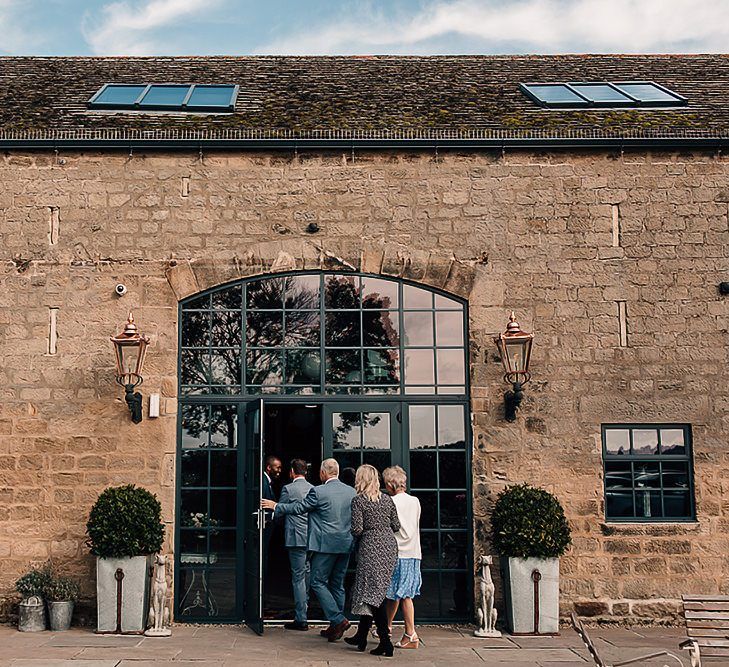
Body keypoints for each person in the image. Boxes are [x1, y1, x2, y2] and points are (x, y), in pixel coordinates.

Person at [262, 458, 355, 642]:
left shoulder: (318, 491)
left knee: (317, 581)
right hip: (345, 544)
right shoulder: (351, 491)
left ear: (323, 473)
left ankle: (338, 619)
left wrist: (277, 506)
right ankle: (335, 626)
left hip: (325, 544)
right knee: (337, 584)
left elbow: (300, 508)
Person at [344, 464, 400, 657]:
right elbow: (396, 525)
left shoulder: (358, 501)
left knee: (374, 595)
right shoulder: (386, 499)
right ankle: (361, 636)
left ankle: (386, 642)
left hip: (370, 547)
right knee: (372, 591)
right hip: (389, 547)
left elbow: (357, 529)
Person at [383, 465, 422, 650]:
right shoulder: (415, 501)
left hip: (397, 553)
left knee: (404, 595)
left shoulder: (390, 502)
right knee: (396, 593)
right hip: (413, 553)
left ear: (390, 484)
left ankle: (410, 634)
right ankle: (387, 626)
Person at [278, 458, 313, 631]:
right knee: (306, 572)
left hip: (295, 538)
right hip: (312, 538)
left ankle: (301, 618)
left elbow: (279, 510)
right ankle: (304, 608)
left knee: (298, 577)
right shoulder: (314, 489)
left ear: (292, 471)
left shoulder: (288, 489)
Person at [262, 455, 282, 581]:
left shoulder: (267, 482)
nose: (279, 471)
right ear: (269, 467)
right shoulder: (263, 483)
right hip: (263, 526)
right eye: (277, 468)